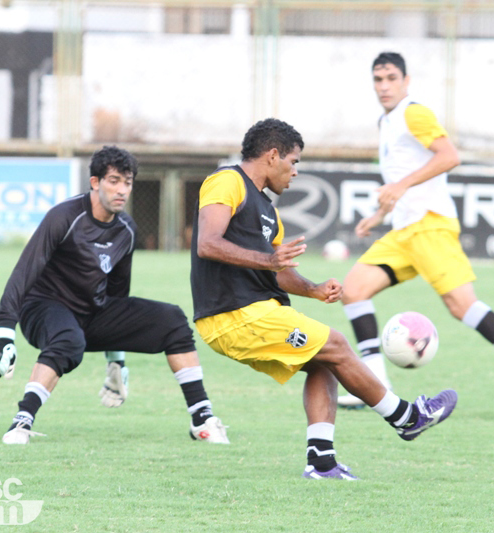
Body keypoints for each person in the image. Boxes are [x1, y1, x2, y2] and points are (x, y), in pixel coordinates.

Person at [191, 118, 457, 480]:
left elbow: (280, 272)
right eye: (294, 161)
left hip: (255, 312)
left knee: (323, 362)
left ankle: (322, 463)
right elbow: (208, 242)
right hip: (234, 315)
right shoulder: (227, 181)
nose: (295, 171)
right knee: (335, 343)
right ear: (272, 156)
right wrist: (268, 260)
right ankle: (406, 418)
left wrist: (313, 289)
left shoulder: (268, 212)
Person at [336, 52, 494, 417]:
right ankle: (374, 383)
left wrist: (401, 186)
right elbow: (401, 176)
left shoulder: (413, 113)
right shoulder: (385, 121)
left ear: (406, 81)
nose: (384, 86)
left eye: (391, 78)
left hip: (430, 226)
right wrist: (380, 213)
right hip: (403, 230)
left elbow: (449, 156)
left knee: (461, 305)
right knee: (353, 291)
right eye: (378, 79)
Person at [0, 145, 229, 445]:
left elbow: (116, 295)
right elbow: (23, 274)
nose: (121, 190)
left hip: (91, 313)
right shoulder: (64, 216)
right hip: (43, 310)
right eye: (114, 181)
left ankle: (201, 419)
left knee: (173, 321)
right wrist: (5, 334)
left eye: (127, 182)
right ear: (95, 182)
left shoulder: (127, 230)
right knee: (68, 341)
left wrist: (116, 360)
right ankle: (21, 422)